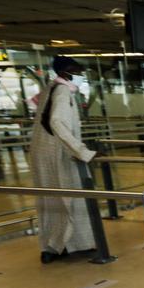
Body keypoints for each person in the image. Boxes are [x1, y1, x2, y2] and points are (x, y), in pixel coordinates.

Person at [30, 55, 97, 264]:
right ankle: (59, 246)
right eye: (77, 72)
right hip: (57, 154)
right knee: (68, 199)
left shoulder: (51, 88)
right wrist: (82, 151)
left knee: (52, 202)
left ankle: (57, 246)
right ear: (65, 73)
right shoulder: (62, 91)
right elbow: (57, 122)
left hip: (46, 152)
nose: (80, 76)